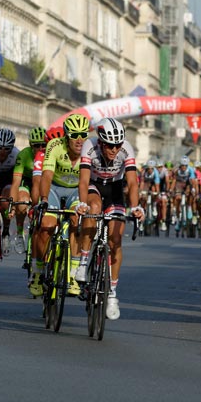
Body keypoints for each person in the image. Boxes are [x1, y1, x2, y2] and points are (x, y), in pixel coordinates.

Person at [76, 118, 143, 321]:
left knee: (116, 240)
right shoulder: (89, 146)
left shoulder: (126, 149)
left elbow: (132, 183)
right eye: (110, 145)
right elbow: (84, 179)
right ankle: (84, 260)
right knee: (93, 208)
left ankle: (112, 294)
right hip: (94, 185)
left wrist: (136, 207)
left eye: (117, 145)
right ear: (101, 142)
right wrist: (81, 203)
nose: (114, 150)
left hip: (114, 188)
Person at [33, 115, 89, 298]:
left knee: (75, 222)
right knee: (46, 225)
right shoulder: (55, 146)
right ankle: (39, 272)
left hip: (75, 191)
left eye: (83, 134)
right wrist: (43, 199)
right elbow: (47, 175)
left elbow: (86, 181)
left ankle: (72, 275)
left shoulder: (89, 149)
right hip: (54, 189)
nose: (80, 139)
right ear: (66, 135)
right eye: (75, 135)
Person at [9, 126, 46, 254]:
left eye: (44, 145)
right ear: (31, 145)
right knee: (22, 203)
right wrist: (13, 204)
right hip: (27, 181)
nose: (41, 148)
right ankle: (19, 234)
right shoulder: (24, 155)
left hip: (42, 181)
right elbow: (16, 182)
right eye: (37, 145)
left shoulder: (49, 155)